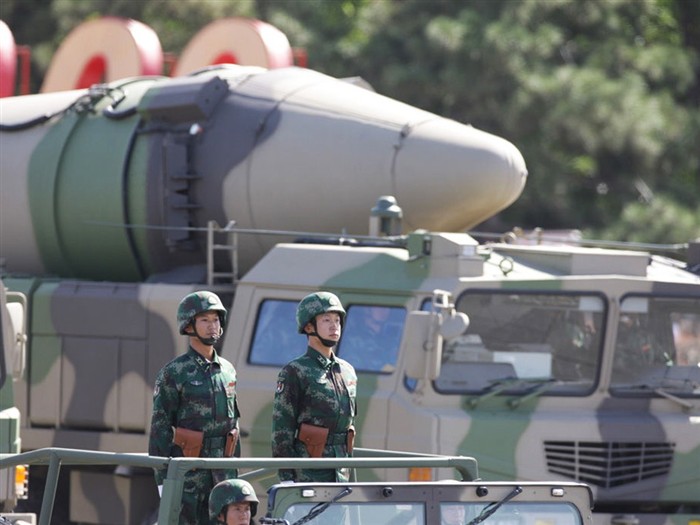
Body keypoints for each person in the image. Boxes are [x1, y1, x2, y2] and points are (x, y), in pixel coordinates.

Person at [149, 291, 241, 525]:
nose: (213, 326)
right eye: (205, 320)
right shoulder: (174, 372)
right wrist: (163, 482)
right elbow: (160, 429)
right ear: (189, 325)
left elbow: (234, 424)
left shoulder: (228, 370)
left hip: (223, 475)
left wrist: (235, 471)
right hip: (189, 477)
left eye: (216, 319)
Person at [271, 291, 358, 482]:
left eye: (337, 320)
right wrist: (287, 477)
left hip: (342, 469)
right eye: (326, 320)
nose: (334, 325)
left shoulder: (347, 371)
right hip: (309, 471)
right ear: (309, 326)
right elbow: (281, 430)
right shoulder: (295, 371)